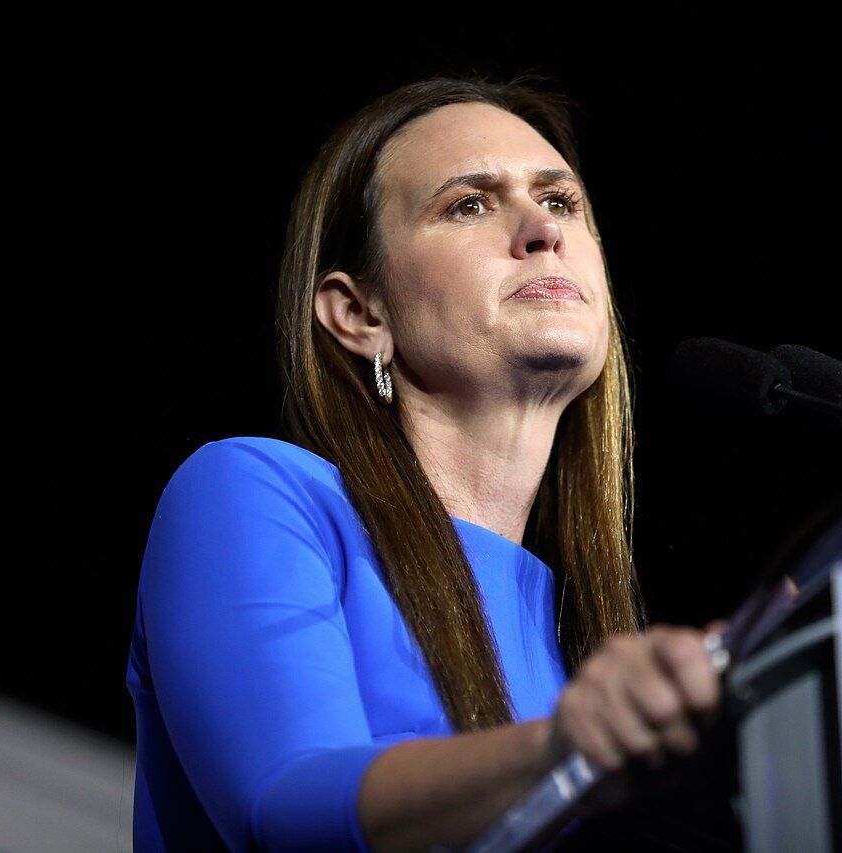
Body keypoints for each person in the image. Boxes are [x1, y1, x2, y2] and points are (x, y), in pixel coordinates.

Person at [125, 74, 726, 851]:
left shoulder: (583, 635)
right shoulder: (253, 494)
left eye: (561, 201)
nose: (542, 230)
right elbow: (285, 805)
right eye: (469, 205)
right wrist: (561, 753)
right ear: (360, 313)